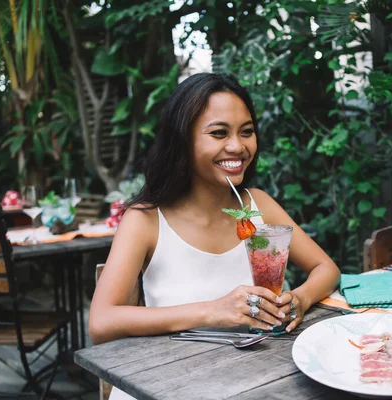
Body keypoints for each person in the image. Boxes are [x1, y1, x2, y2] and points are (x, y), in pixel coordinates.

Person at [89, 73, 341, 399]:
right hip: (161, 382)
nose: (237, 146)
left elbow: (327, 269)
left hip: (246, 381)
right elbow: (101, 322)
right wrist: (214, 311)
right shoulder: (146, 220)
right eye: (219, 133)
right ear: (183, 140)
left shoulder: (257, 205)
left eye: (246, 132)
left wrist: (300, 299)